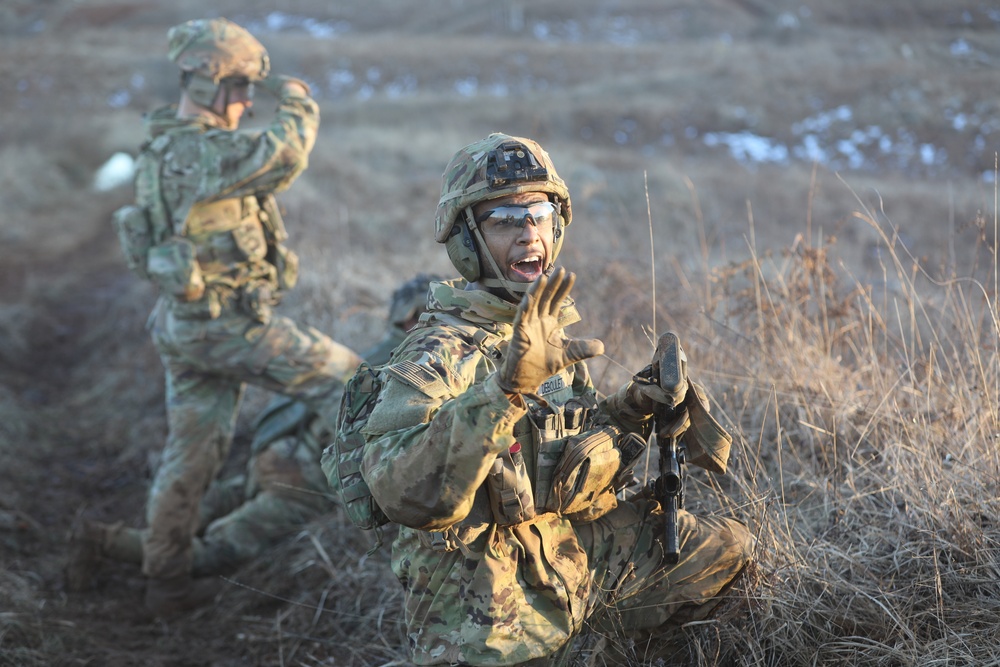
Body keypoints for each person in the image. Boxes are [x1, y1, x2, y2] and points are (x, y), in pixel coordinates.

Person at [357, 133, 755, 666]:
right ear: (466, 242)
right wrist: (504, 392)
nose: (528, 233)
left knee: (724, 552)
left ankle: (607, 647)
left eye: (539, 215)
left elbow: (560, 458)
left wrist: (630, 409)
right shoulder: (434, 354)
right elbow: (405, 496)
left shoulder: (541, 328)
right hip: (485, 601)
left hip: (564, 550)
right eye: (503, 219)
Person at [82, 17, 363, 616]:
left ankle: (166, 584)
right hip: (225, 327)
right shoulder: (196, 149)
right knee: (356, 384)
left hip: (188, 328)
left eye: (250, 90)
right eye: (237, 87)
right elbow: (284, 156)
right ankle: (364, 505)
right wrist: (297, 100)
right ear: (205, 82)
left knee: (191, 458)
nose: (244, 102)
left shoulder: (169, 144)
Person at [67, 275, 439, 588]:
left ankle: (124, 542)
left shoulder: (373, 352)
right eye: (423, 315)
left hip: (276, 451)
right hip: (305, 478)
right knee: (220, 547)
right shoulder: (423, 364)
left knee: (207, 509)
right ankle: (106, 543)